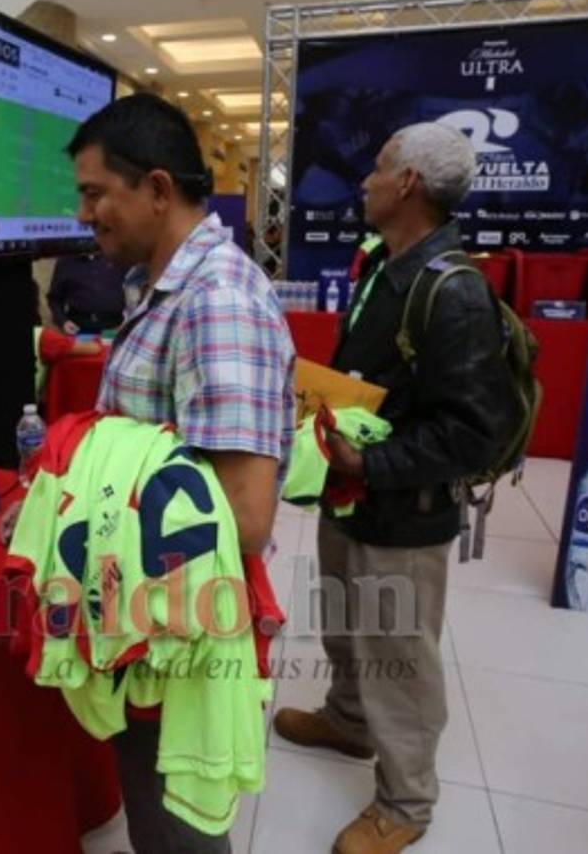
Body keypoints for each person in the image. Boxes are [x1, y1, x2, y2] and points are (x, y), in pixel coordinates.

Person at [272, 123, 516, 854]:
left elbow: (475, 433)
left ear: (407, 183)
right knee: (345, 622)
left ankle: (406, 803)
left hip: (404, 510)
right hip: (353, 496)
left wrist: (369, 463)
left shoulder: (454, 292)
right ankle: (349, 721)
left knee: (399, 657)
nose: (365, 180)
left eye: (378, 168)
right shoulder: (386, 263)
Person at [70, 92, 295, 853]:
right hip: (149, 618)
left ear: (158, 189)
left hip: (179, 627)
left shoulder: (215, 302)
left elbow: (243, 517)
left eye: (96, 193)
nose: (84, 214)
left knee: (175, 826)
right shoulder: (162, 287)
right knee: (154, 809)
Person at [47, 250, 128, 334]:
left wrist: (128, 322)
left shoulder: (116, 257)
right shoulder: (65, 262)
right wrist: (63, 321)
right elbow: (55, 298)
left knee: (109, 343)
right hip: (77, 328)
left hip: (114, 327)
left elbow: (133, 286)